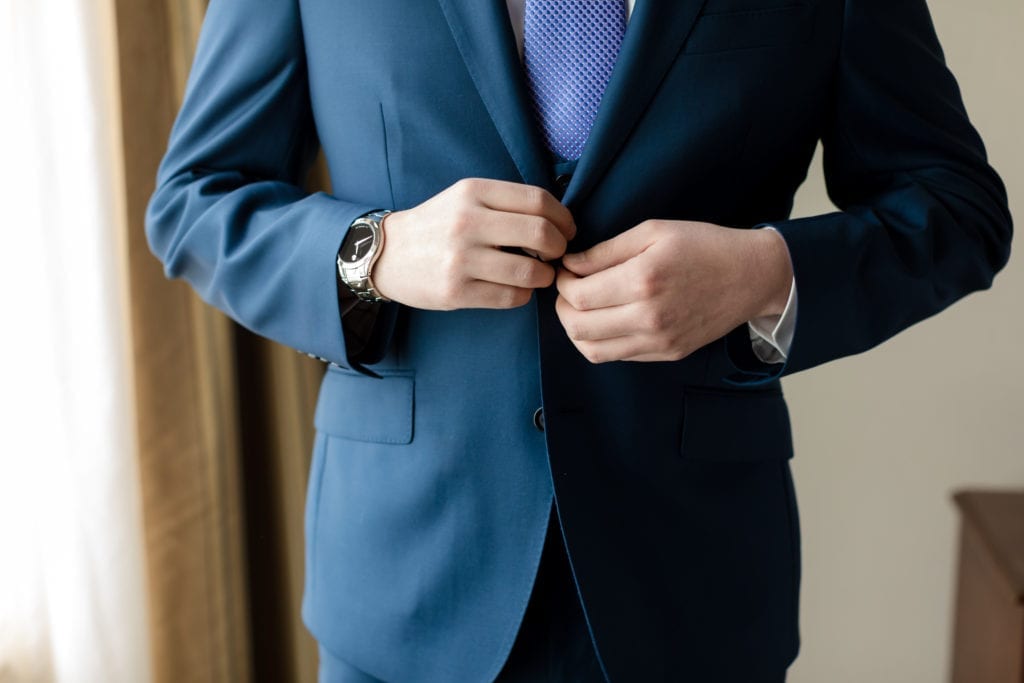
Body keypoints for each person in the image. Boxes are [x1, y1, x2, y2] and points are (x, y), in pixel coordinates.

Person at [145, 0, 1012, 680]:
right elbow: (194, 198)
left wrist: (763, 273)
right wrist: (377, 252)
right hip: (404, 587)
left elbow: (958, 211)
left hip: (692, 592)